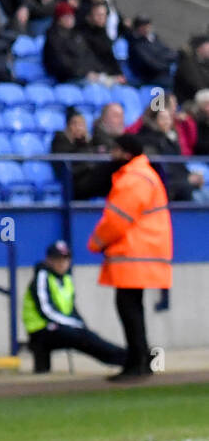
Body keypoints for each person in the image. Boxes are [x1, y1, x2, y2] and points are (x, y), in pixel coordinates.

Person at [87, 135, 172, 381]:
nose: (111, 156)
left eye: (114, 150)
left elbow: (117, 219)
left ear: (125, 153)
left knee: (129, 308)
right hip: (142, 254)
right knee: (132, 307)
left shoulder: (133, 178)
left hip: (135, 254)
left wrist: (95, 243)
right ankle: (141, 361)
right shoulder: (141, 175)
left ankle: (137, 364)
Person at [22, 241, 126, 374]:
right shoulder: (42, 277)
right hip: (41, 329)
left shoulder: (66, 279)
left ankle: (129, 358)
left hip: (60, 326)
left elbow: (72, 309)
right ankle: (128, 359)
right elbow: (47, 311)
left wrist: (81, 325)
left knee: (88, 337)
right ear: (48, 260)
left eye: (65, 259)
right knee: (84, 338)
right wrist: (75, 324)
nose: (62, 263)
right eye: (57, 259)